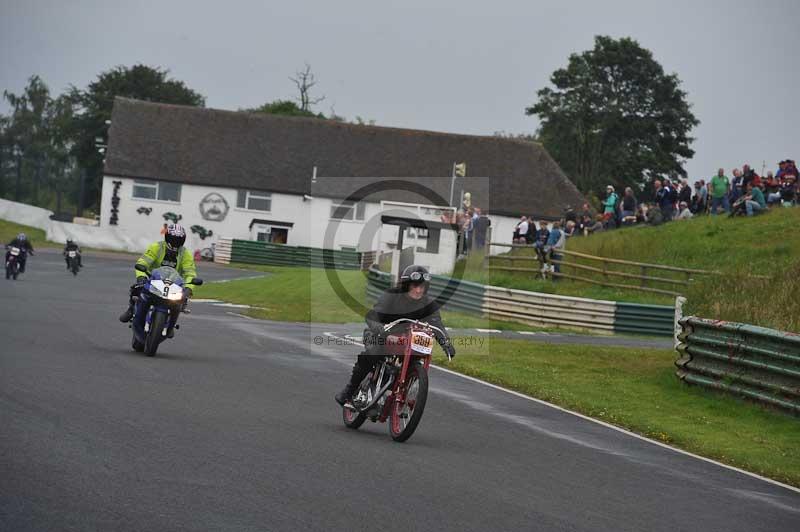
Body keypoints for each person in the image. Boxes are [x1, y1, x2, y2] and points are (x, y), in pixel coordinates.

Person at [334, 265, 456, 405]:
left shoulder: (428, 304)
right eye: (415, 286)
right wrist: (385, 333)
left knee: (415, 358)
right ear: (406, 285)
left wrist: (446, 344)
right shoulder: (391, 295)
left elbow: (437, 324)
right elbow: (372, 316)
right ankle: (349, 391)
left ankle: (400, 388)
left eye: (422, 286)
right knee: (374, 353)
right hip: (379, 333)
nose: (418, 290)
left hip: (406, 340)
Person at [119, 224, 197, 324]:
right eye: (173, 239)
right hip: (152, 279)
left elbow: (190, 273)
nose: (175, 242)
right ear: (167, 237)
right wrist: (141, 277)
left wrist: (188, 288)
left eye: (178, 240)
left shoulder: (186, 254)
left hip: (174, 284)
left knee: (181, 300)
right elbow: (142, 262)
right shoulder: (156, 247)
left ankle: (171, 324)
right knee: (136, 288)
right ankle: (131, 309)